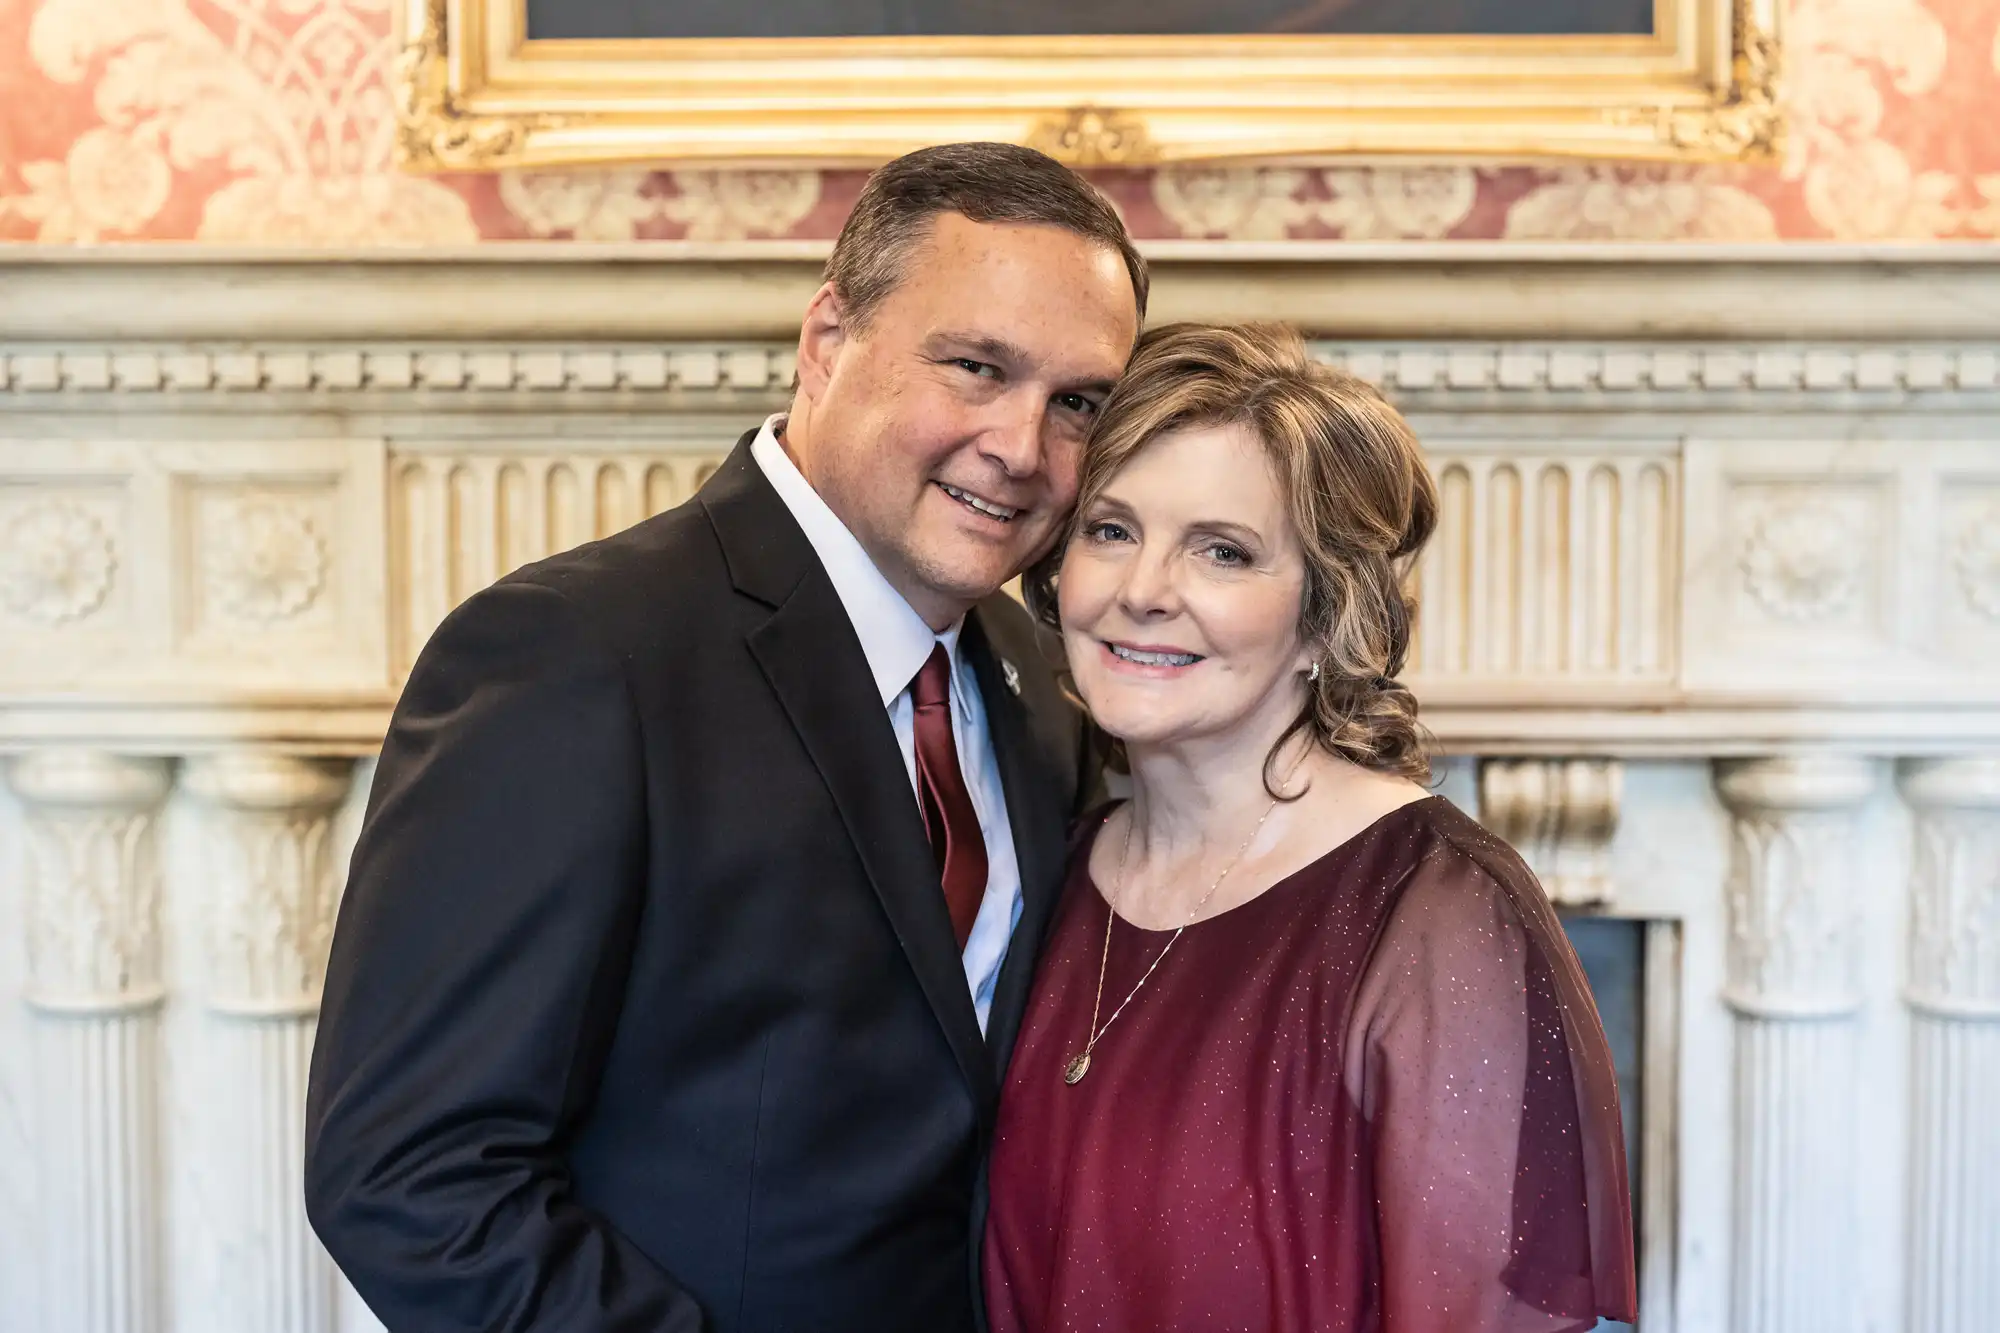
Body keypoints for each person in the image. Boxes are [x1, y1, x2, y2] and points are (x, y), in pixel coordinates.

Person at [303, 142, 1144, 1333]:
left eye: (1076, 404)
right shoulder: (575, 653)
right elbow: (409, 1176)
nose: (1021, 447)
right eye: (972, 367)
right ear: (825, 341)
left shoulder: (1037, 682)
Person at [985, 323, 1638, 1333]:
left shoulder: (1440, 916)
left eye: (1222, 551)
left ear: (1327, 617)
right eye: (1109, 530)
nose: (1142, 591)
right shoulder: (1050, 869)